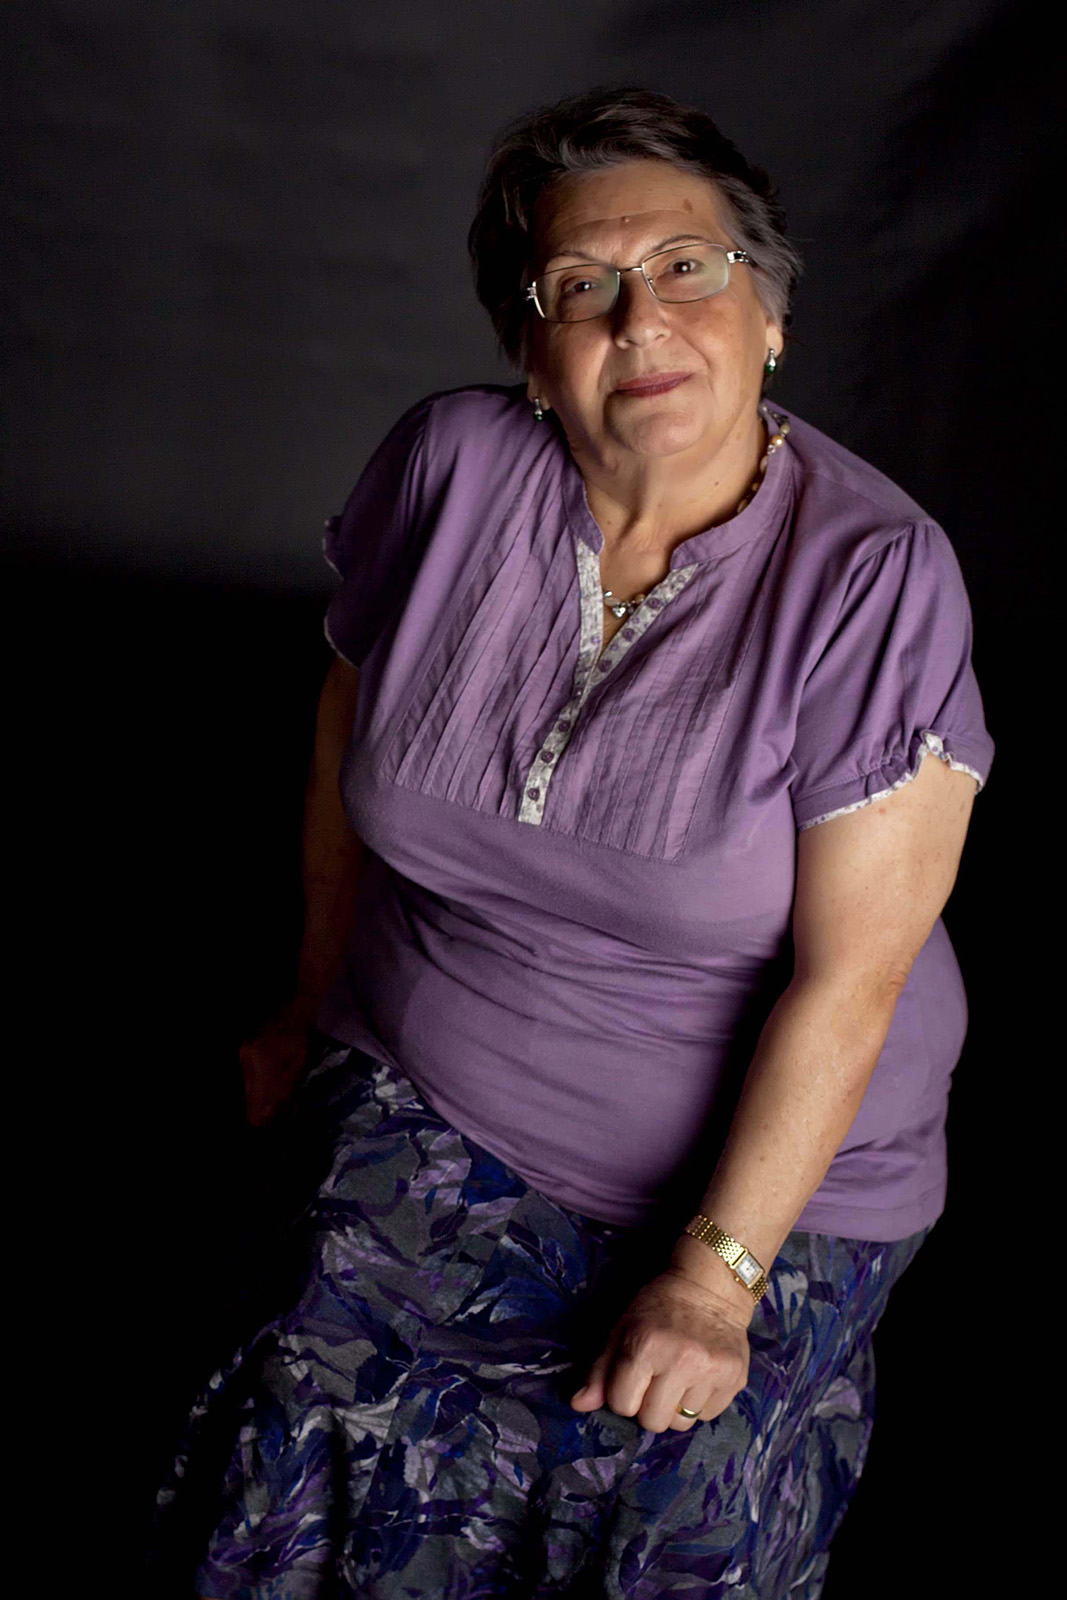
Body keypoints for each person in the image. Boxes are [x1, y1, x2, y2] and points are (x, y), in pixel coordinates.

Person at [151, 85, 994, 1598]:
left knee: (666, 1504)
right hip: (437, 1071)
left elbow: (853, 977)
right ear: (532, 353)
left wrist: (716, 1281)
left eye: (687, 268)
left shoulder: (875, 573)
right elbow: (348, 724)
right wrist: (309, 998)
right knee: (296, 1396)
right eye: (581, 287)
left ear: (771, 314)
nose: (641, 318)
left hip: (771, 1169)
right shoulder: (447, 465)